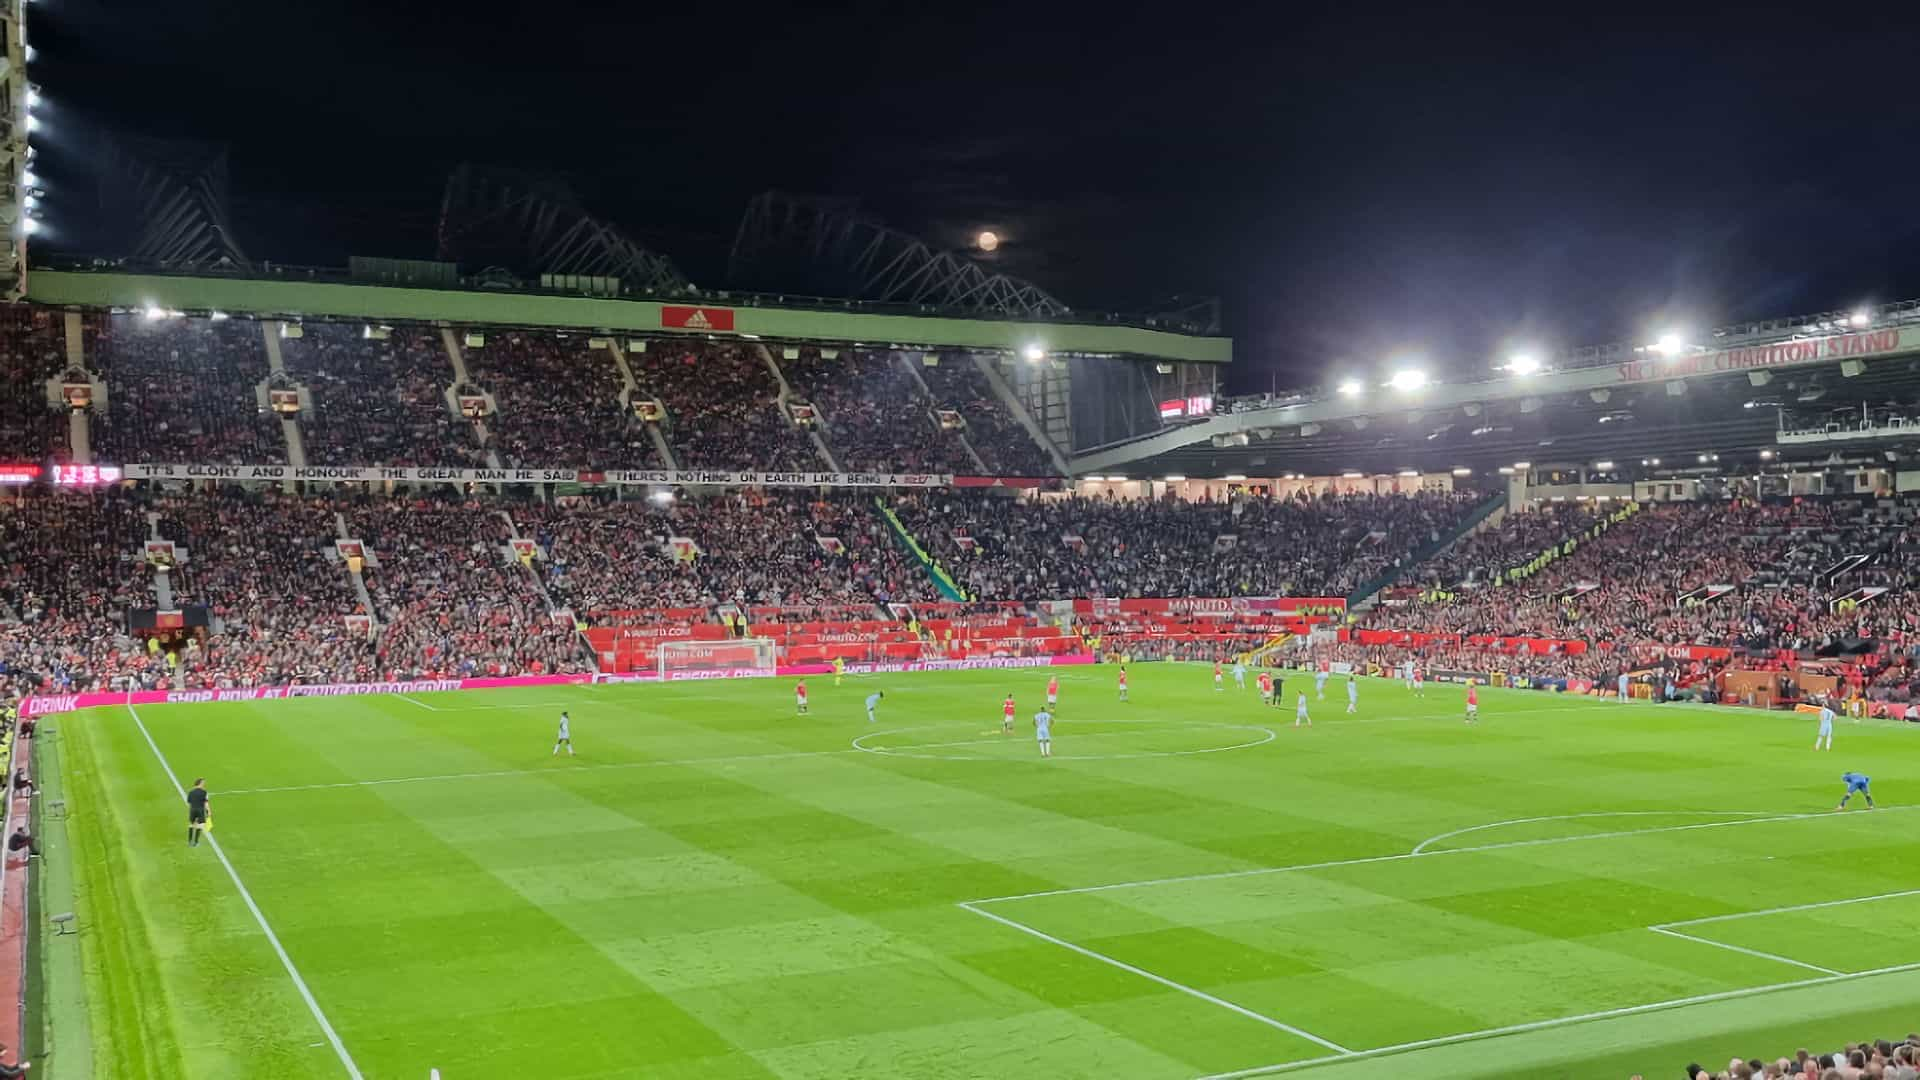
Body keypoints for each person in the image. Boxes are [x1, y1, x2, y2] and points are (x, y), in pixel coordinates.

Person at [186, 777, 210, 848]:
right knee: (200, 825)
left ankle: (190, 841)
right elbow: (206, 803)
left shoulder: (191, 792)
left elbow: (189, 802)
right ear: (201, 783)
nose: (204, 784)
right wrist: (208, 811)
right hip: (200, 810)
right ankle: (196, 842)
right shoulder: (204, 792)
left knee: (191, 825)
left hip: (192, 810)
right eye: (203, 783)